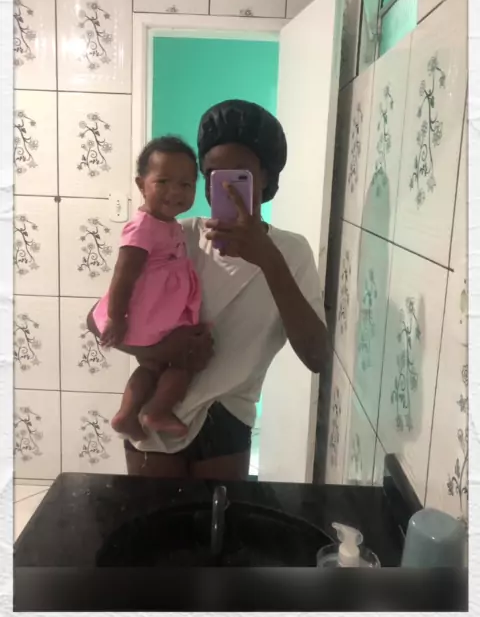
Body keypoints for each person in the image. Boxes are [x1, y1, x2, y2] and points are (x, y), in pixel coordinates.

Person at [119, 100, 330, 480]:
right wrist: (165, 351)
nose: (227, 186)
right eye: (214, 175)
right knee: (152, 516)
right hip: (155, 410)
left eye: (239, 175)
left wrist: (269, 259)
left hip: (229, 418)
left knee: (220, 517)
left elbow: (316, 356)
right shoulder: (177, 237)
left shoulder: (291, 252)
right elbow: (103, 322)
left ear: (265, 177)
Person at [87, 135, 204, 442]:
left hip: (155, 311)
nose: (174, 192)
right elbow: (123, 275)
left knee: (152, 367)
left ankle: (126, 415)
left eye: (185, 184)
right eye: (163, 182)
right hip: (147, 314)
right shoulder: (142, 226)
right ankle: (156, 410)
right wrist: (116, 318)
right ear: (141, 185)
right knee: (183, 363)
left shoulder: (167, 223)